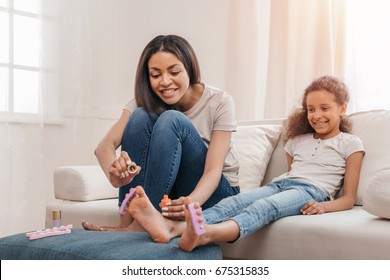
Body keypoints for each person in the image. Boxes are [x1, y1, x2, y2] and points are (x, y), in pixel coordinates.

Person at [127, 75, 365, 251]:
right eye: (311, 109)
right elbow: (291, 175)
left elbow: (348, 199)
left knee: (265, 207)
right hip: (281, 184)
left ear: (343, 108)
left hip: (312, 191)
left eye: (325, 108)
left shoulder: (350, 143)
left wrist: (323, 206)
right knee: (234, 201)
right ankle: (171, 228)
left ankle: (207, 234)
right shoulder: (296, 141)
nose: (316, 115)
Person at [82, 35, 240, 231]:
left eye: (174, 72)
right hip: (171, 196)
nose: (165, 82)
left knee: (171, 119)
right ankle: (128, 220)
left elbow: (213, 171)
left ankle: (140, 225)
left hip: (215, 195)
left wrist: (191, 202)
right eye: (155, 75)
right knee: (140, 115)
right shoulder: (146, 101)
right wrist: (115, 175)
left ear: (189, 69)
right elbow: (103, 148)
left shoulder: (220, 101)